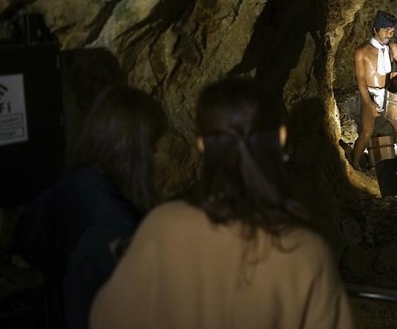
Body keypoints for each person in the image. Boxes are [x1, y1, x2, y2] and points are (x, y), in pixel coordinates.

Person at [90, 78, 354, 329]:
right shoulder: (305, 252)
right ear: (281, 138)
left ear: (202, 144)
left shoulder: (162, 229)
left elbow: (106, 319)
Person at [16, 85, 168, 329]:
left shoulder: (73, 182)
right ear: (137, 153)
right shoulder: (113, 229)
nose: (158, 159)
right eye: (154, 148)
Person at [351, 10, 397, 171]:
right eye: (386, 30)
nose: (389, 34)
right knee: (367, 131)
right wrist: (369, 104)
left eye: (392, 31)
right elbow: (361, 82)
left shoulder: (392, 47)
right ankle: (355, 163)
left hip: (388, 93)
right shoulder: (362, 52)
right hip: (371, 94)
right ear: (375, 29)